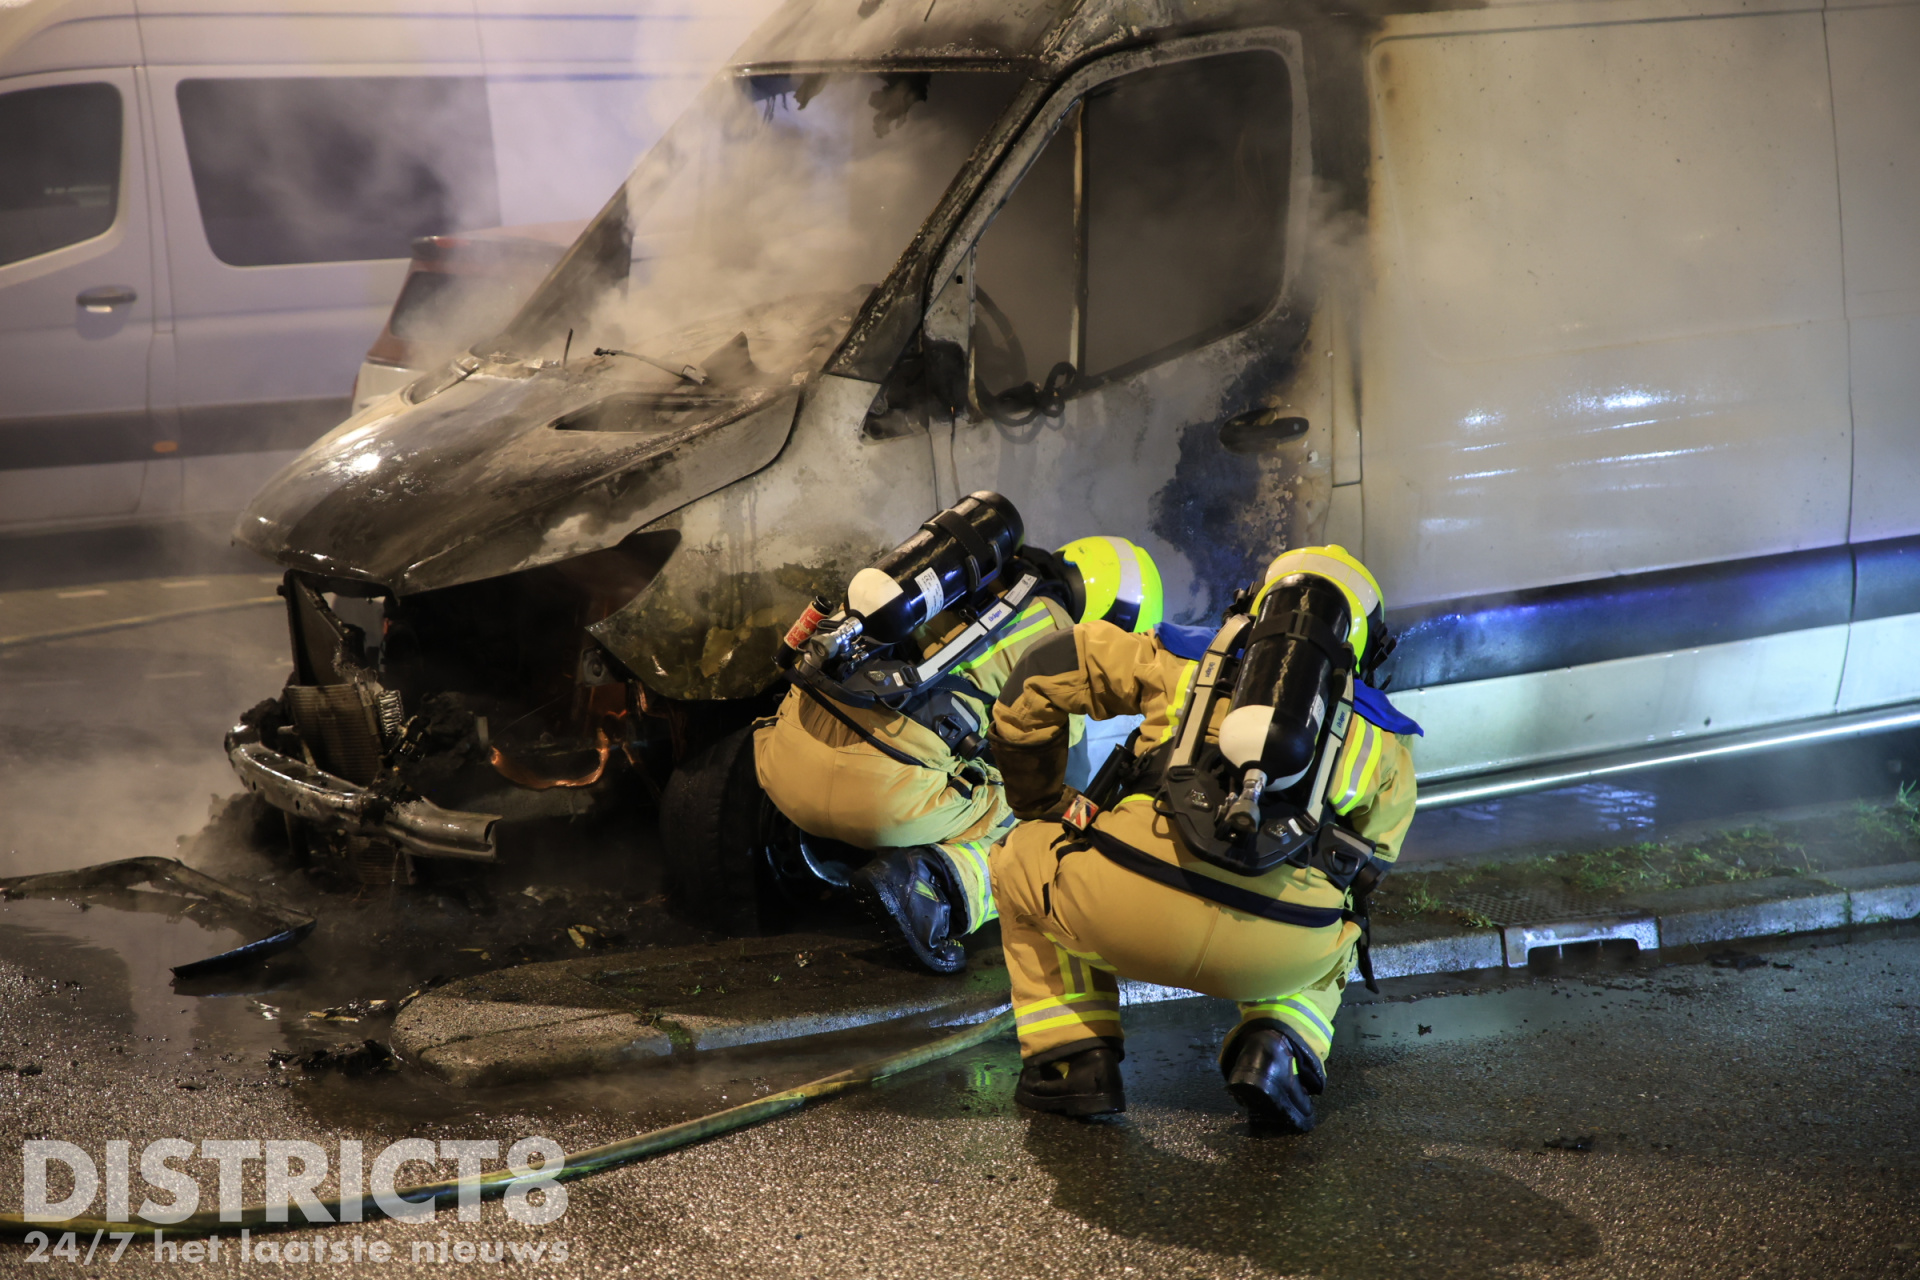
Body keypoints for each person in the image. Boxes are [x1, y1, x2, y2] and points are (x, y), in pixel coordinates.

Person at [986, 545, 1421, 1131]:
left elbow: (1045, 667)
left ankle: (1071, 1060)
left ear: (1258, 604)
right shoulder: (1386, 736)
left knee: (1021, 854)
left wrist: (1041, 800)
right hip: (1273, 954)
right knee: (1338, 927)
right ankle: (1278, 1048)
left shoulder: (1181, 653)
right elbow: (1371, 868)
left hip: (1123, 909)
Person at [754, 493, 1163, 973]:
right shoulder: (1064, 638)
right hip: (877, 799)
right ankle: (935, 888)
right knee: (1057, 826)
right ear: (1114, 624)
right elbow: (1060, 783)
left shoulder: (967, 576)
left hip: (780, 760)